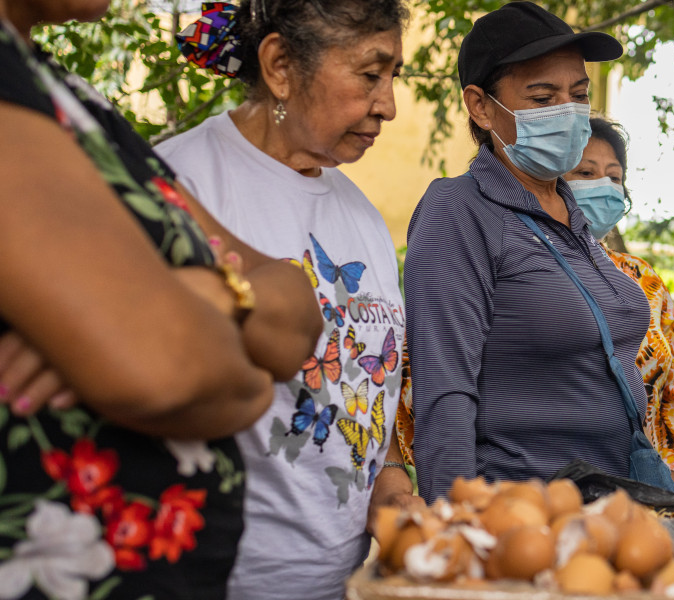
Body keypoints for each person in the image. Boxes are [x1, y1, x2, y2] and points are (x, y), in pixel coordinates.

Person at [0, 0, 320, 596]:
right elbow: (163, 369)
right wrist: (242, 368)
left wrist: (205, 294)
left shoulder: (71, 95)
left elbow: (297, 307)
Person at [154, 0, 410, 597]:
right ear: (280, 65)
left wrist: (391, 482)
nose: (389, 105)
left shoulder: (362, 217)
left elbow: (369, 382)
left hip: (339, 584)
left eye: (394, 75)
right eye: (371, 74)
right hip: (217, 581)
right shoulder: (181, 187)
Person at [404, 2, 646, 501]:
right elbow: (444, 390)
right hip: (520, 514)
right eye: (542, 97)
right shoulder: (459, 210)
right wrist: (456, 533)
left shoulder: (572, 213)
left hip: (611, 507)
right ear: (481, 106)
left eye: (578, 96)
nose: (568, 112)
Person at [565, 116, 674, 490]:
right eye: (586, 172)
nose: (604, 187)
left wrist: (668, 486)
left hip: (643, 492)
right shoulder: (517, 266)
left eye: (614, 177)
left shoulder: (644, 280)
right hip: (547, 491)